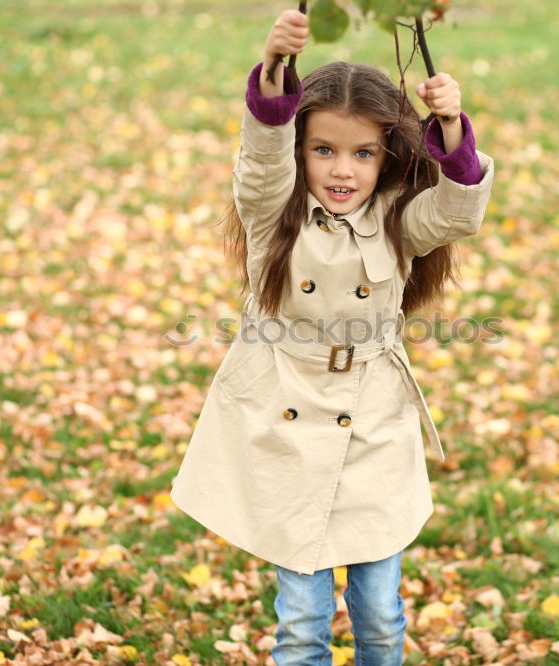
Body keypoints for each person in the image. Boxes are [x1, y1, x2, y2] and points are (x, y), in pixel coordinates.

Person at [169, 8, 494, 665]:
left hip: (373, 428)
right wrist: (274, 70)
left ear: (387, 155)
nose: (342, 170)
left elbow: (460, 209)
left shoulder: (398, 220)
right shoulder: (272, 214)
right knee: (301, 624)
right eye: (324, 150)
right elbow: (260, 160)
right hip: (287, 427)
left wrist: (453, 127)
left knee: (380, 618)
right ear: (300, 151)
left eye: (362, 153)